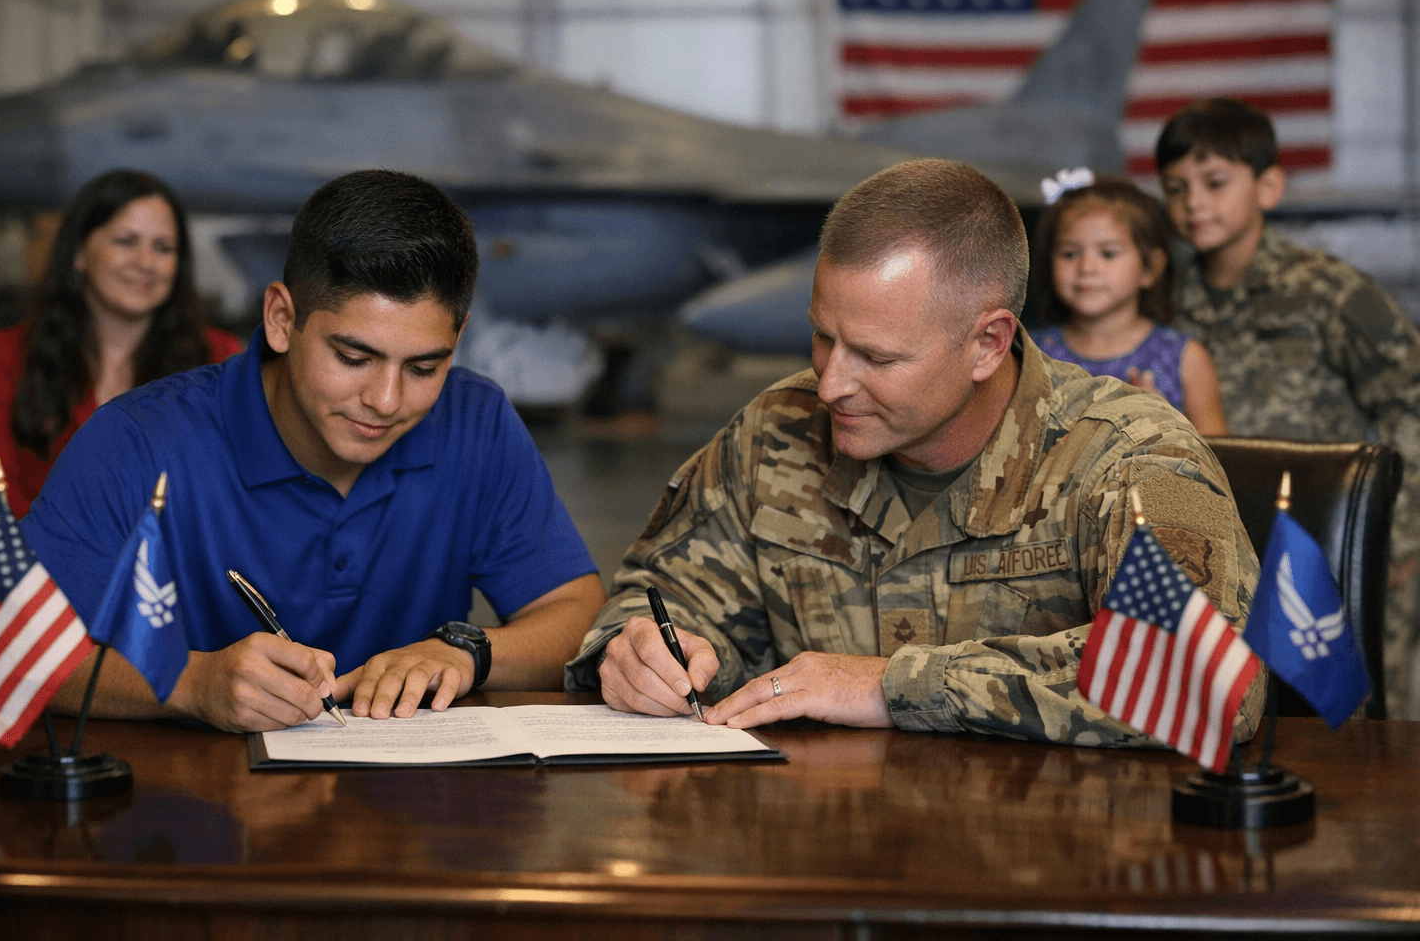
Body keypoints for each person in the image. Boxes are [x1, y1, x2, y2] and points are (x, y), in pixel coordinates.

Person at [566, 158, 1264, 745]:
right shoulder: (775, 434)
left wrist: (890, 684)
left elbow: (1202, 677)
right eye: (821, 338)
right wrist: (643, 654)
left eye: (875, 356)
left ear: (987, 343)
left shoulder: (1127, 457)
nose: (831, 383)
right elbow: (654, 596)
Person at [22, 170, 606, 732]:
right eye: (353, 358)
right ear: (281, 319)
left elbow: (575, 608)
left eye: (425, 367)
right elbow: (15, 651)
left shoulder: (474, 421)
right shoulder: (136, 439)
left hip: (412, 813)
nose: (385, 400)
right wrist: (191, 683)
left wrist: (468, 653)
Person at [1158, 96, 1420, 715]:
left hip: (1333, 545)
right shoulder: (1164, 298)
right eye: (1176, 188)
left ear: (1268, 186)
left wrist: (1397, 532)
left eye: (1216, 183)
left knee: (1356, 729)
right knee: (1238, 720)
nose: (1194, 203)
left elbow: (1410, 400)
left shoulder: (1327, 291)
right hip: (1224, 549)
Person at [0, 170, 242, 539]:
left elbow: (234, 502)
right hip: (40, 582)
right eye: (125, 241)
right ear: (78, 254)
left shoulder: (218, 359)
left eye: (163, 247)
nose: (145, 262)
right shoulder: (5, 357)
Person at [1028, 170, 1227, 435]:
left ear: (1150, 267)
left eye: (1108, 253)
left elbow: (1220, 460)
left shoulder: (1185, 359)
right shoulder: (1029, 354)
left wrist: (1166, 421)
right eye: (1070, 253)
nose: (1086, 267)